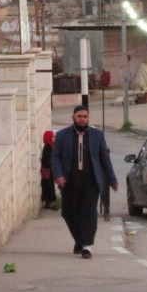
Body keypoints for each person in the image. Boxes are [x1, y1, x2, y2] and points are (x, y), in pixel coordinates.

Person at [51, 105, 118, 258]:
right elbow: (55, 157)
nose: (82, 119)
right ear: (73, 118)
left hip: (90, 181)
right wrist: (59, 175)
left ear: (88, 118)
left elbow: (104, 159)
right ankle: (79, 240)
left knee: (89, 213)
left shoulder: (97, 135)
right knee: (69, 212)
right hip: (70, 181)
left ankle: (87, 246)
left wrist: (112, 179)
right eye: (79, 116)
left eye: (85, 117)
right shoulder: (62, 136)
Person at [40, 130, 58, 209]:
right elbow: (47, 160)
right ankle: (48, 203)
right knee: (48, 186)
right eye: (53, 137)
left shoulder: (50, 146)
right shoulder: (48, 147)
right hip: (47, 170)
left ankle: (49, 203)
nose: (54, 138)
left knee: (49, 186)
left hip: (48, 170)